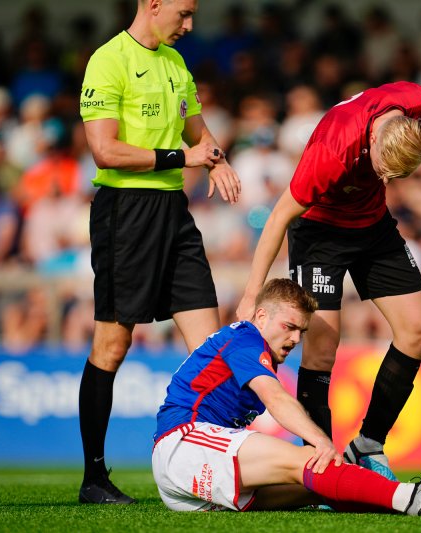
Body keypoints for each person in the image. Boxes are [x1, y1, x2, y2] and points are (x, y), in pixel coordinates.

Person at [77, 0, 240, 504]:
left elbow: (198, 128)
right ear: (154, 5)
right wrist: (184, 157)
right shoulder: (108, 60)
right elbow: (105, 150)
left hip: (173, 212)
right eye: (184, 14)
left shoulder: (175, 64)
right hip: (125, 213)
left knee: (210, 347)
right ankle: (95, 478)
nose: (189, 26)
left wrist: (214, 158)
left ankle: (214, 470)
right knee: (112, 346)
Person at [236, 81, 421, 481]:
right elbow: (278, 218)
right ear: (374, 138)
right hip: (320, 233)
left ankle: (368, 444)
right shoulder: (333, 150)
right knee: (322, 347)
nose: (386, 178)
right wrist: (250, 294)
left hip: (374, 227)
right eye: (383, 167)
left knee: (418, 330)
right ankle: (319, 466)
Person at [154, 278, 421, 514]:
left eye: (302, 330)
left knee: (314, 486)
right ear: (260, 316)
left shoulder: (251, 348)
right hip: (184, 444)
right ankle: (413, 497)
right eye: (289, 326)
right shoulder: (245, 339)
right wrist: (320, 440)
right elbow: (276, 398)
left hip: (195, 482)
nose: (297, 338)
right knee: (315, 458)